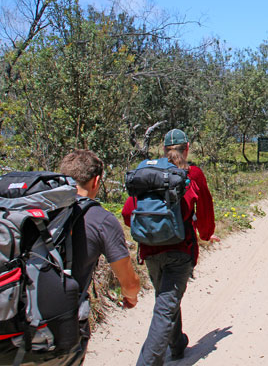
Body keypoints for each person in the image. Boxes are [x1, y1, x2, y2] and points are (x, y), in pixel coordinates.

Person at [122, 128, 217, 365]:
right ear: (187, 148)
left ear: (163, 149)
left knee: (166, 299)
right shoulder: (192, 173)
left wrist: (149, 231)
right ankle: (149, 362)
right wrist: (205, 234)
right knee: (165, 307)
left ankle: (177, 345)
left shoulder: (149, 173)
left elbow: (126, 213)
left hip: (150, 251)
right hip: (180, 250)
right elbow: (204, 209)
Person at [52, 149, 141, 365]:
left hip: (17, 316)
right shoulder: (102, 219)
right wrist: (131, 296)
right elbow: (128, 282)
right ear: (96, 181)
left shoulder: (39, 208)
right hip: (66, 322)